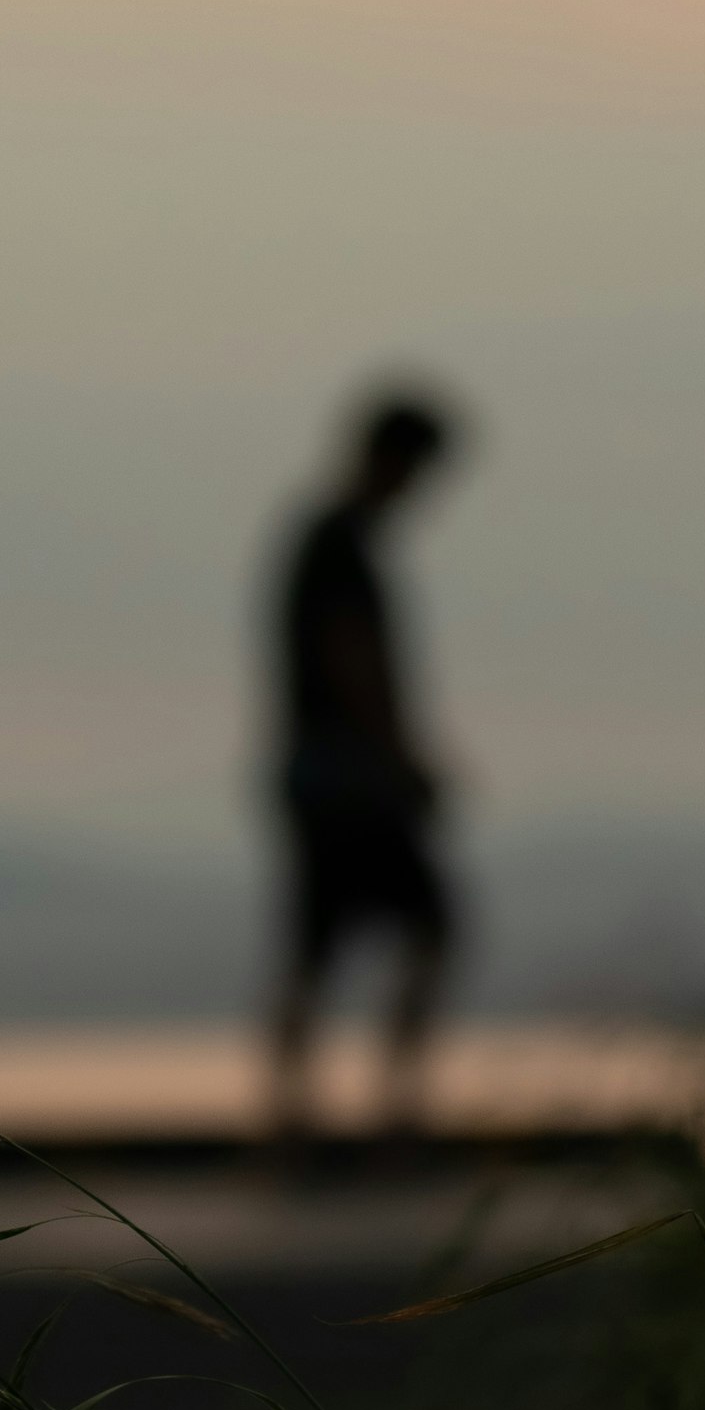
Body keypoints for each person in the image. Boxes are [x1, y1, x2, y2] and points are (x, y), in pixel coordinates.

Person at [264, 389, 459, 1154]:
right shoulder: (338, 543)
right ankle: (390, 1115)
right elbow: (352, 659)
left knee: (314, 947)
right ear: (393, 459)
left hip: (324, 775)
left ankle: (296, 1118)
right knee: (430, 926)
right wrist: (405, 756)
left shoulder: (327, 538)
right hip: (348, 779)